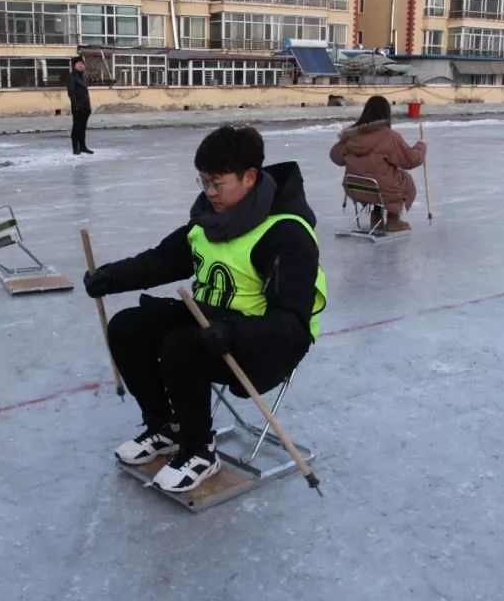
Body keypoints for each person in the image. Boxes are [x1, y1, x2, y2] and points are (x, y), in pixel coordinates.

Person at [83, 126, 327, 493]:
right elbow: (165, 260)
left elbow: (292, 323)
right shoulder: (209, 221)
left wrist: (236, 333)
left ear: (249, 177)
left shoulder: (285, 234)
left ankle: (199, 451)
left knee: (182, 346)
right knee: (128, 326)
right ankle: (167, 427)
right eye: (203, 182)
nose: (209, 193)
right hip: (213, 322)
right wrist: (110, 276)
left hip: (267, 342)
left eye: (217, 183)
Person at [329, 95, 427, 232]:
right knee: (403, 179)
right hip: (382, 190)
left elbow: (335, 157)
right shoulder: (389, 137)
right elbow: (411, 160)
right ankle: (393, 219)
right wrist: (421, 146)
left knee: (381, 176)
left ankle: (376, 216)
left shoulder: (352, 136)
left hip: (355, 188)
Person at [66, 57, 93, 155]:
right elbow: (71, 92)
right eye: (78, 63)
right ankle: (75, 148)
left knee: (83, 127)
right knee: (76, 127)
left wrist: (89, 106)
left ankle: (83, 146)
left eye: (82, 63)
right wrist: (76, 105)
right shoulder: (71, 76)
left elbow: (86, 93)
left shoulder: (83, 77)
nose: (81, 65)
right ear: (74, 65)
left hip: (86, 107)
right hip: (78, 107)